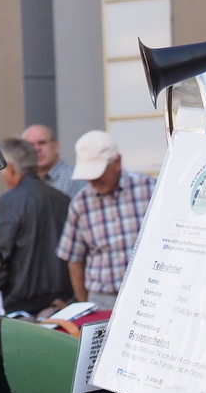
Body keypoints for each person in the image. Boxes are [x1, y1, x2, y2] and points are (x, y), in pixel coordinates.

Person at [55, 131, 157, 309]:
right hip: (102, 299)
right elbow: (74, 261)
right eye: (89, 174)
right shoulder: (81, 203)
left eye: (98, 173)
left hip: (148, 292)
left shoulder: (149, 189)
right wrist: (86, 305)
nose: (93, 180)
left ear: (117, 162)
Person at [0, 136, 74, 315]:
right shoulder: (63, 199)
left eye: (2, 171)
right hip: (63, 303)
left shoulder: (8, 202)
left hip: (20, 307)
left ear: (10, 168)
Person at [22, 124, 87, 200]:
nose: (37, 149)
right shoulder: (24, 182)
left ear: (56, 146)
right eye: (30, 145)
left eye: (42, 143)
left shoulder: (75, 178)